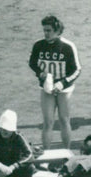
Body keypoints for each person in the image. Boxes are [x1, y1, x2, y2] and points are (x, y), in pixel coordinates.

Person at [28, 15, 81, 149]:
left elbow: (77, 70)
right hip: (47, 88)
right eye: (44, 30)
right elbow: (32, 63)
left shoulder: (68, 47)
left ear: (57, 31)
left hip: (64, 88)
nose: (46, 33)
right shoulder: (38, 45)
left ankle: (66, 152)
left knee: (64, 120)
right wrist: (41, 74)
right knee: (48, 122)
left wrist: (62, 83)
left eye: (49, 30)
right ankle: (46, 155)